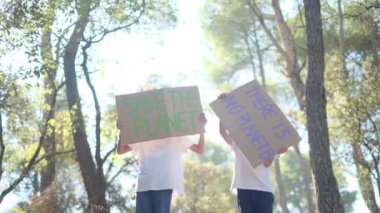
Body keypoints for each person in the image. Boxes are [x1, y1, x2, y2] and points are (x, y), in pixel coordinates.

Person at [116, 112, 207, 213]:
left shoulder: (175, 134)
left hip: (163, 183)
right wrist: (122, 132)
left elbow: (199, 149)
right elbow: (121, 150)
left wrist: (201, 129)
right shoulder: (143, 132)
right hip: (145, 183)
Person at [217, 93, 287, 213]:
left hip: (264, 190)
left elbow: (267, 164)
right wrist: (222, 108)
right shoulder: (239, 140)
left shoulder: (269, 141)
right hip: (244, 188)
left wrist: (275, 151)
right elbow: (223, 132)